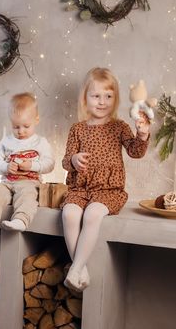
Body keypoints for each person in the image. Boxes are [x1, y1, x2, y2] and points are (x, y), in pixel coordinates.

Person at [62, 67, 150, 291]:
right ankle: (81, 269)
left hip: (109, 191)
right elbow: (65, 160)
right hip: (80, 189)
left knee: (92, 214)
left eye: (108, 96)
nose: (102, 102)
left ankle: (75, 268)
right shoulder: (77, 129)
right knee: (70, 214)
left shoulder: (119, 126)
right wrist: (73, 160)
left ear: (116, 99)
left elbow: (135, 151)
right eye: (96, 96)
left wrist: (142, 135)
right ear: (85, 98)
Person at [0, 92, 55, 237]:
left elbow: (49, 164)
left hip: (28, 182)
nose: (21, 131)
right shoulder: (6, 141)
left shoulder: (40, 142)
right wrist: (6, 167)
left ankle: (20, 220)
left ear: (36, 120)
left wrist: (31, 165)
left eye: (26, 126)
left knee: (28, 197)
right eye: (16, 127)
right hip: (7, 182)